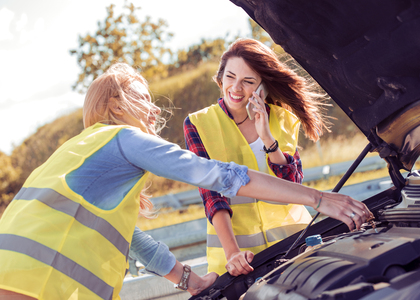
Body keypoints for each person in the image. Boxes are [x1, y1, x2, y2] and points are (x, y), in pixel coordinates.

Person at [0, 63, 369, 300]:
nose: (156, 109)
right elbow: (218, 176)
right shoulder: (122, 139)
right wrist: (320, 199)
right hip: (38, 285)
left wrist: (189, 281)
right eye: (145, 98)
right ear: (116, 105)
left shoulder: (77, 149)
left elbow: (133, 240)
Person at [184, 38, 335, 276]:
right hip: (239, 257)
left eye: (248, 81)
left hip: (295, 242)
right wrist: (233, 253)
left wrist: (267, 137)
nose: (235, 88)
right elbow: (212, 195)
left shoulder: (282, 119)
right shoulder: (198, 124)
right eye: (231, 77)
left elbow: (293, 185)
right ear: (220, 77)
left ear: (261, 87)